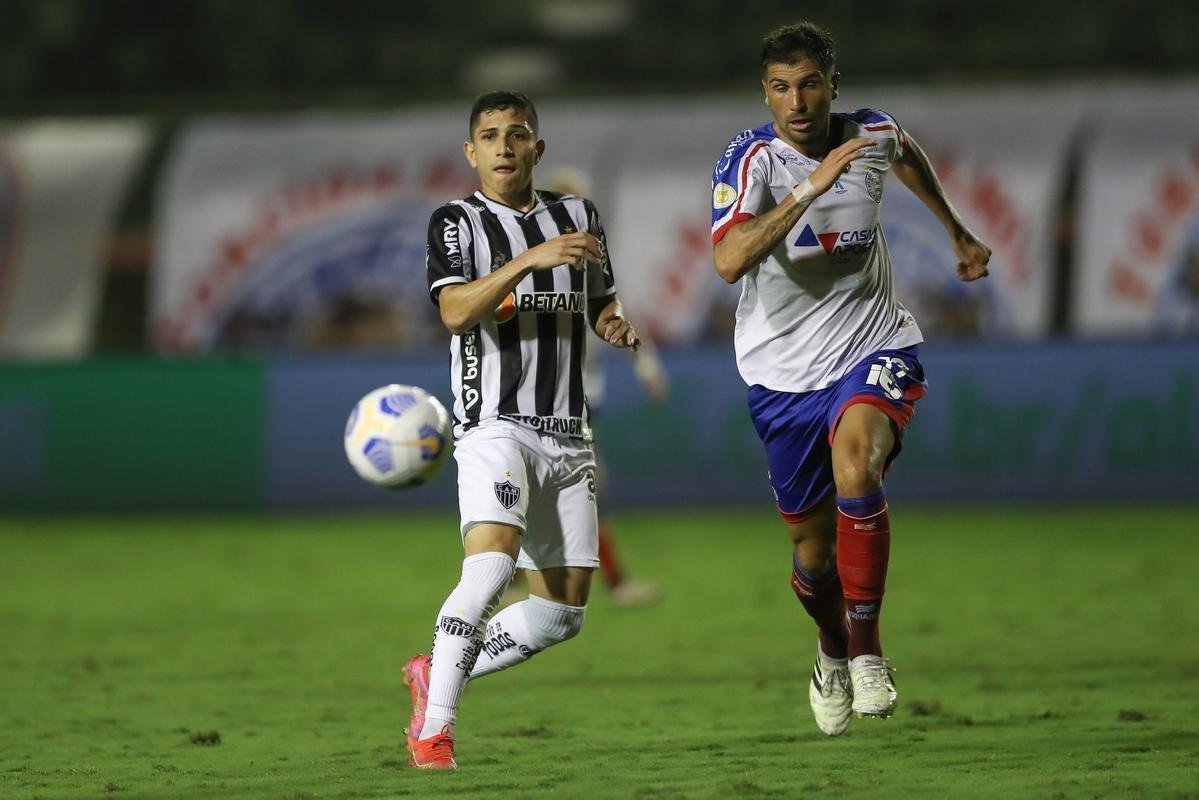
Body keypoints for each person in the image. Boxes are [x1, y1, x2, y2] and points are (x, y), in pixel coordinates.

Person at [710, 22, 990, 735]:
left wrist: (955, 229)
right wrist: (811, 187)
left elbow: (906, 152)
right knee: (812, 557)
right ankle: (832, 644)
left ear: (833, 83)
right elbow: (728, 260)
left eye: (808, 84)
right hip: (781, 373)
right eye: (780, 88)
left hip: (873, 344)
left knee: (857, 465)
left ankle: (866, 652)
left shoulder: (871, 133)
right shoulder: (751, 160)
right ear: (764, 93)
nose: (796, 102)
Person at [403, 90, 641, 770]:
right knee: (490, 566)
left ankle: (436, 670)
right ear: (470, 151)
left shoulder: (578, 216)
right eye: (490, 135)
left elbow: (599, 300)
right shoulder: (457, 222)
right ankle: (435, 733)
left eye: (516, 133)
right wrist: (526, 260)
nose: (503, 146)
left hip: (568, 433)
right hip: (494, 425)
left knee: (562, 614)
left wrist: (612, 324)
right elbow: (454, 311)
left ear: (537, 146)